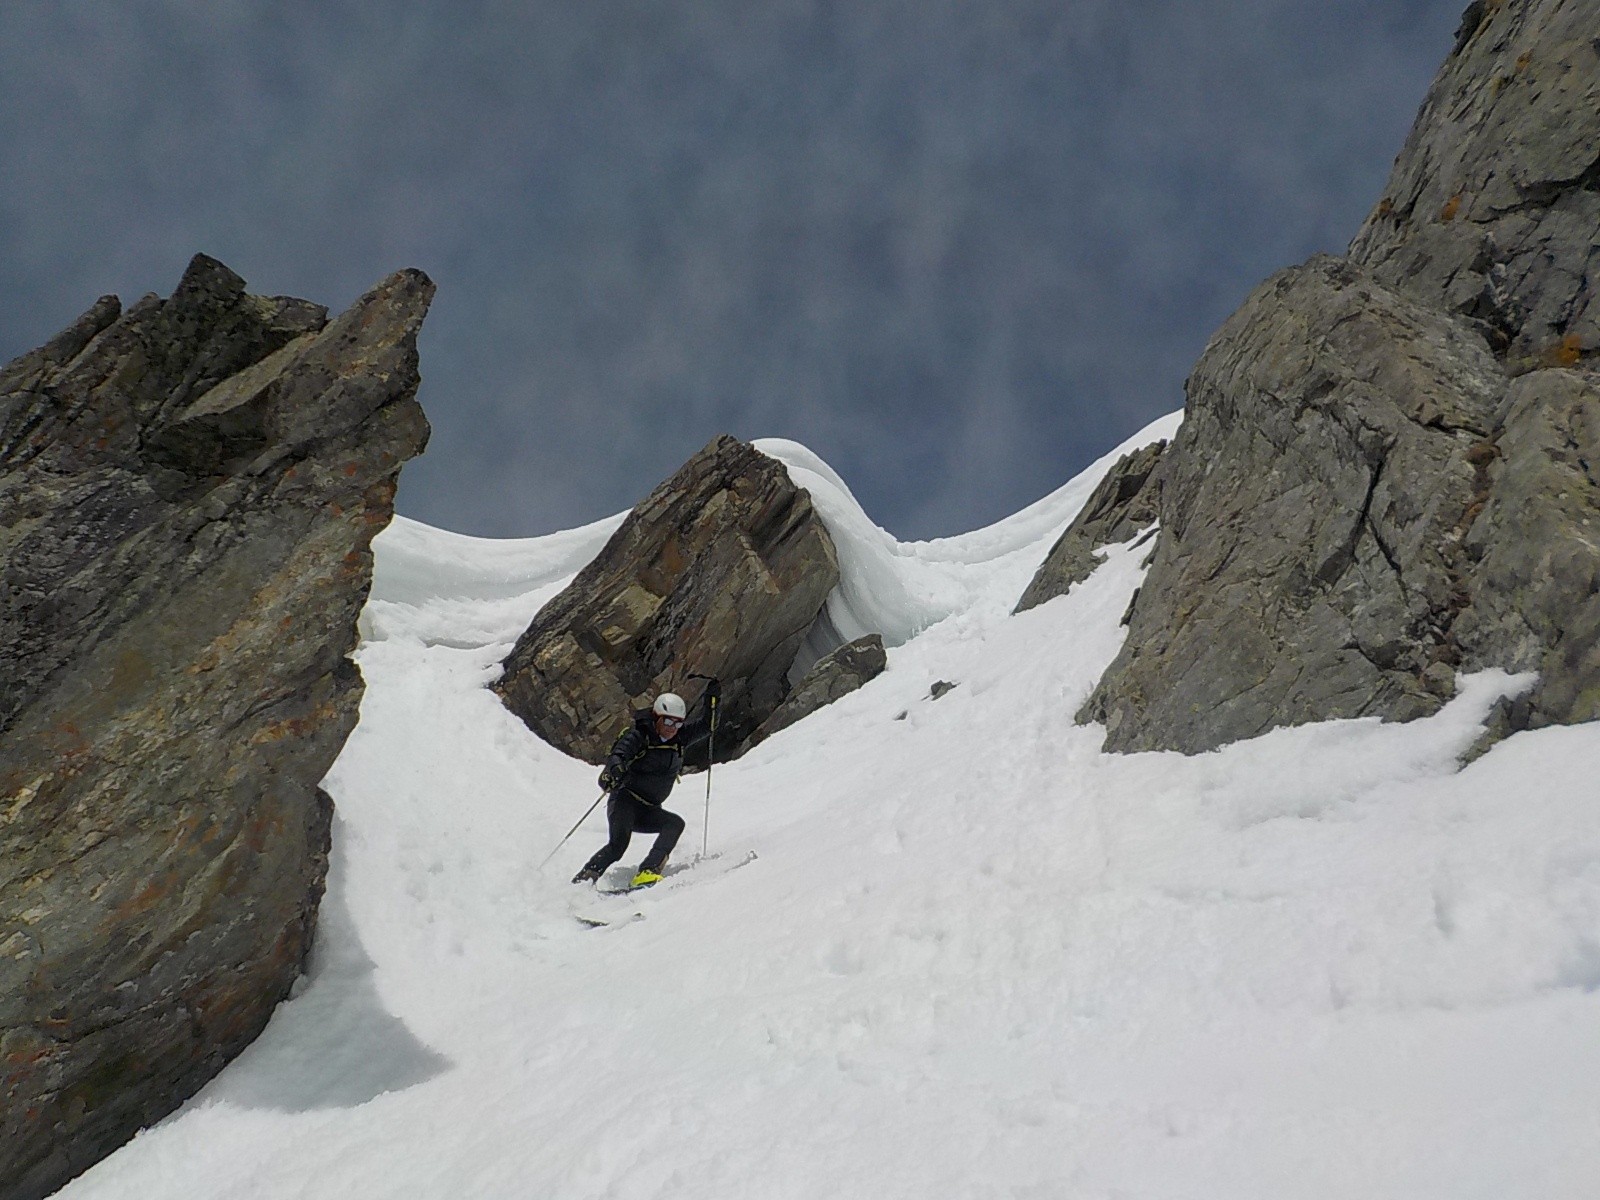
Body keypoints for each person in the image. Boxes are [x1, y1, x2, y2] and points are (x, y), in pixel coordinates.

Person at [572, 680, 720, 888]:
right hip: (625, 803)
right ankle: (582, 883)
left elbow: (708, 726)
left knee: (674, 823)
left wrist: (713, 699)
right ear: (657, 717)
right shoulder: (639, 736)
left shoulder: (679, 738)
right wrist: (615, 771)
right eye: (668, 722)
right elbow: (618, 756)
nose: (673, 729)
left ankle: (648, 871)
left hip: (649, 808)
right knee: (617, 847)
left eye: (678, 723)